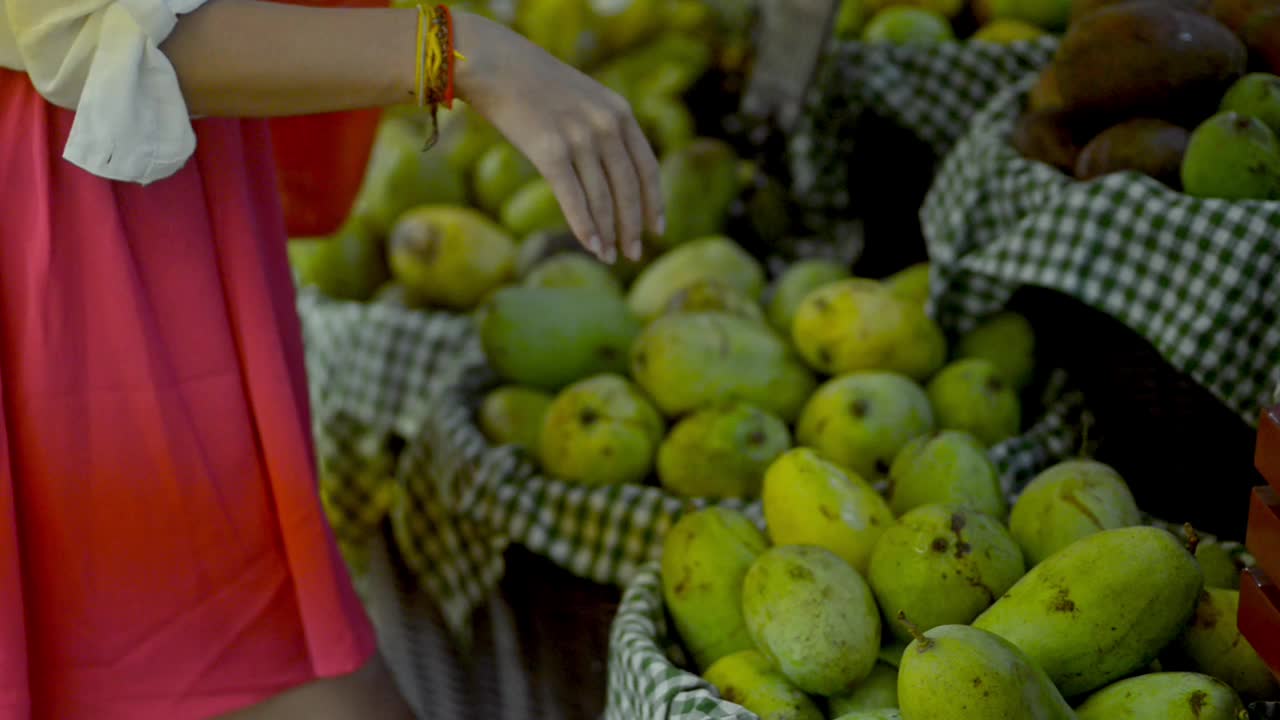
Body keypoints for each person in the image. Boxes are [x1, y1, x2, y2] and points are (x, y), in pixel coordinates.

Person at [0, 1, 664, 718]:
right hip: (84, 247)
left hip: (141, 211)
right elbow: (87, 29)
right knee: (263, 672)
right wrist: (465, 56)